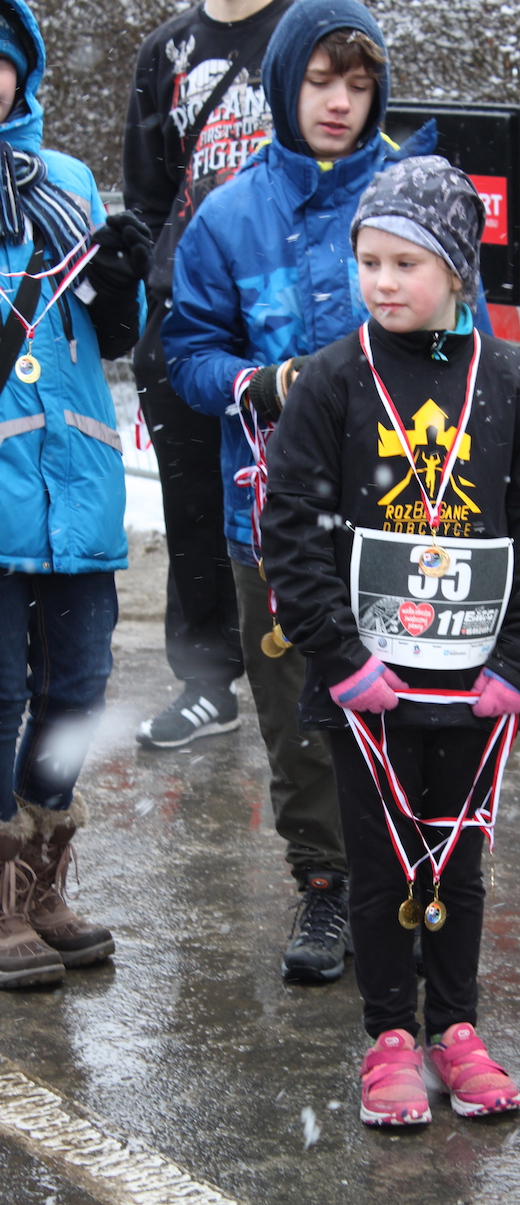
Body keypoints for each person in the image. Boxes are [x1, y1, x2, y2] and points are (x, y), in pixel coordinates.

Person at [259, 156, 520, 1125]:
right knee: (382, 858)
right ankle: (390, 1033)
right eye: (369, 262)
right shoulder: (332, 380)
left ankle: (457, 1026)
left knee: (457, 862)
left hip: (474, 684)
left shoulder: (513, 381)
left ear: (457, 270)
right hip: (371, 687)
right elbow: (291, 529)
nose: (383, 283)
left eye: (407, 264)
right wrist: (340, 657)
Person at [160, 0, 456, 983]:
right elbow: (188, 354)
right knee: (299, 717)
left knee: (408, 702)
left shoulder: (414, 196)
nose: (339, 103)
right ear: (286, 84)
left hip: (404, 511)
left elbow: (472, 342)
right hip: (271, 518)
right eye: (322, 81)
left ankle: (410, 874)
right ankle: (325, 883)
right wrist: (260, 383)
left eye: (359, 84)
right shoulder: (227, 216)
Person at [0, 0, 149, 988]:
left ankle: (40, 879)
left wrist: (123, 278)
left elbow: (112, 336)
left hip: (78, 486)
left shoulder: (69, 182)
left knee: (76, 692)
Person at [124, 0, 291, 750]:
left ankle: (318, 674)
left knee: (308, 501)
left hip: (282, 309)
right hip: (188, 313)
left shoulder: (306, 28)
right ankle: (206, 681)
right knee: (193, 508)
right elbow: (146, 194)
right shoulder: (166, 50)